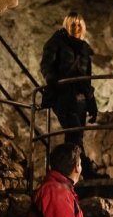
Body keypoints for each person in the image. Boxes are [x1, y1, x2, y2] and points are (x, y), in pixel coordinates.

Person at [40, 12, 99, 177]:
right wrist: (53, 81)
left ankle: (67, 173)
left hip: (80, 98)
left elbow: (87, 78)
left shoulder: (85, 48)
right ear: (67, 25)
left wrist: (92, 103)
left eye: (79, 24)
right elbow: (46, 65)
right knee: (74, 132)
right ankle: (85, 169)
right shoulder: (56, 42)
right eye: (73, 24)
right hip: (63, 96)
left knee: (74, 135)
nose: (76, 27)